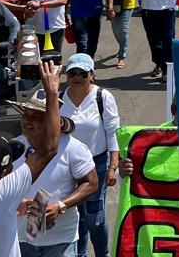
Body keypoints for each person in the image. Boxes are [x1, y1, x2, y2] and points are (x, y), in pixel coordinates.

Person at [9, 80, 99, 256]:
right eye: (25, 115)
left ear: (52, 122)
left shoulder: (73, 148)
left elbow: (91, 183)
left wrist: (60, 206)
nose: (27, 121)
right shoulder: (16, 147)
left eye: (35, 117)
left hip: (59, 241)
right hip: (19, 238)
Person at [0, 61, 62, 257]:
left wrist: (13, 207)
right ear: (4, 172)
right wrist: (52, 93)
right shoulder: (1, 193)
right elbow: (50, 149)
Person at [59, 54, 119, 257]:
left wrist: (113, 167)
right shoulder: (58, 99)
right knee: (76, 216)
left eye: (82, 73)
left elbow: (112, 133)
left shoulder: (103, 97)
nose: (77, 77)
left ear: (92, 75)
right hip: (67, 166)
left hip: (97, 165)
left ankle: (103, 254)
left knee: (94, 217)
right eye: (72, 73)